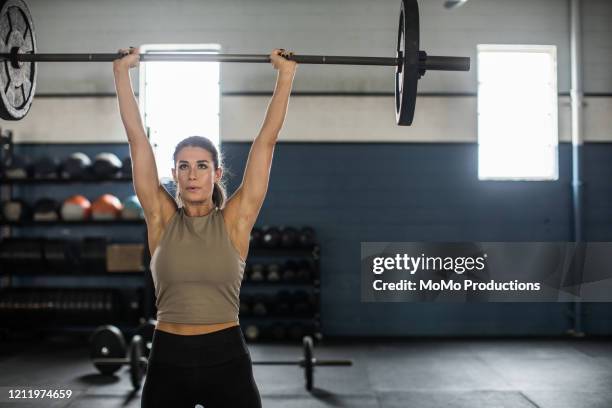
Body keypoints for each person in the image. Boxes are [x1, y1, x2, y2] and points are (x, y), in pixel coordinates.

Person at [113, 46, 297, 408]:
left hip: (226, 360)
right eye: (183, 166)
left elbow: (267, 141)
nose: (192, 174)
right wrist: (122, 73)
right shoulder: (161, 219)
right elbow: (137, 141)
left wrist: (286, 75)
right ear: (174, 175)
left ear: (215, 174)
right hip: (167, 361)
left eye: (200, 166)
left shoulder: (235, 221)